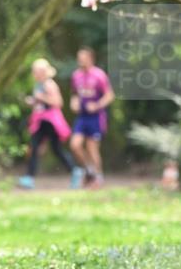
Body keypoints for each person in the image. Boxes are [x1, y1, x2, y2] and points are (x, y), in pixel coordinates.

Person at [18, 58, 77, 189]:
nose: (34, 73)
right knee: (38, 148)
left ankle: (74, 171)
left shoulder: (49, 84)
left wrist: (41, 97)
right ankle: (29, 177)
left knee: (53, 149)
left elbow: (58, 102)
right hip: (41, 121)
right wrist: (33, 101)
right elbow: (40, 102)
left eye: (36, 71)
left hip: (50, 121)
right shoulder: (38, 84)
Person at [69, 47, 114, 188]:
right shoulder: (76, 75)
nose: (80, 61)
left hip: (96, 117)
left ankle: (98, 178)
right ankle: (89, 170)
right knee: (75, 145)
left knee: (92, 148)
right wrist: (74, 103)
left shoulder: (99, 75)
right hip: (82, 116)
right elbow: (75, 94)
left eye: (83, 58)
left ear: (91, 59)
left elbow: (109, 95)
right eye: (79, 58)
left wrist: (97, 105)